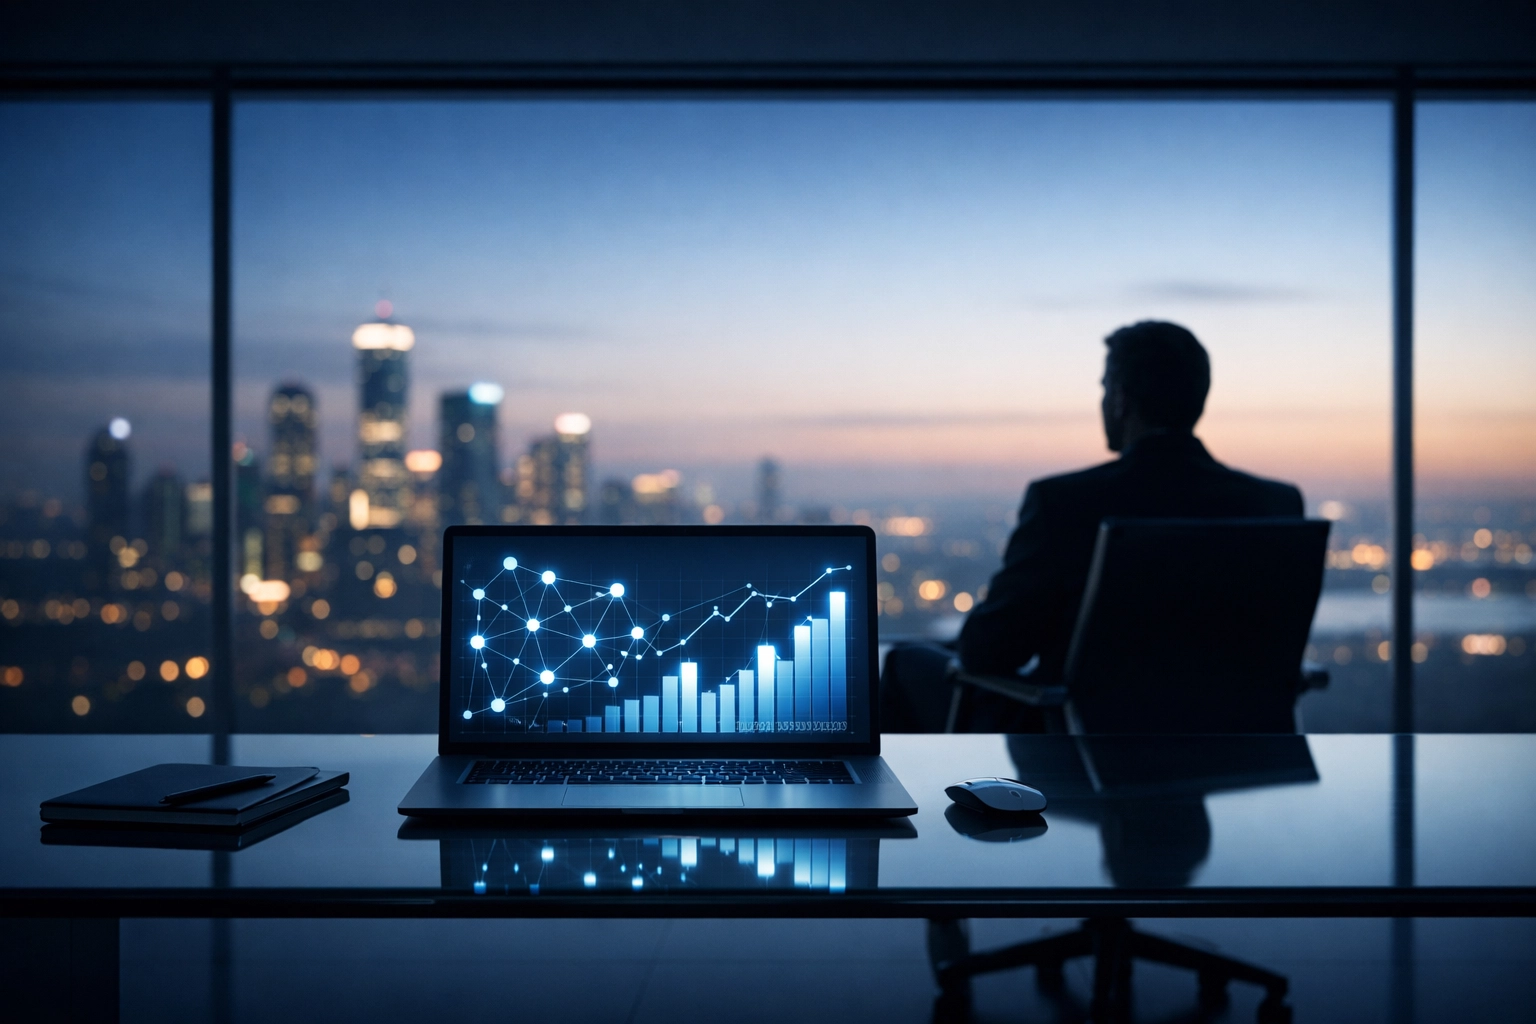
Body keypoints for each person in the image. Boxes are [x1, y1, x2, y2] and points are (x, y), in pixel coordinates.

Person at [880, 320, 1304, 732]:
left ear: (1120, 398)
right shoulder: (1276, 504)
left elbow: (986, 652)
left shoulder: (1066, 502)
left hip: (1081, 748)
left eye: (1104, 389)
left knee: (904, 663)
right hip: (1229, 754)